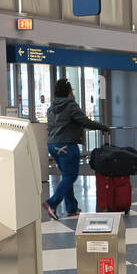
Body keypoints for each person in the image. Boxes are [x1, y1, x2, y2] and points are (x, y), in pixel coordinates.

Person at [45, 77, 110, 220]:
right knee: (70, 176)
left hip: (52, 145)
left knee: (66, 176)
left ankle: (72, 208)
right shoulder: (70, 106)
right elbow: (85, 121)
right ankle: (52, 203)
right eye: (71, 90)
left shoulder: (51, 108)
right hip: (67, 145)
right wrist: (103, 127)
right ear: (69, 91)